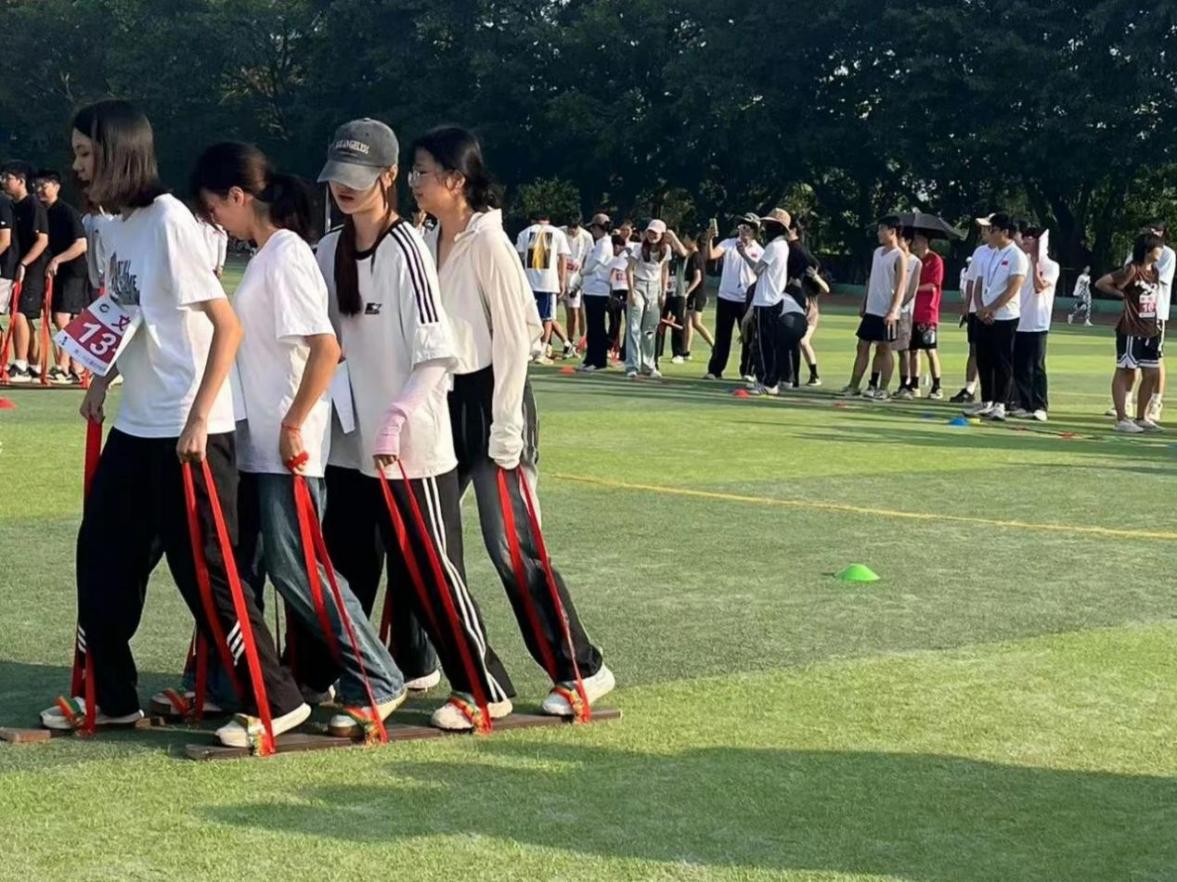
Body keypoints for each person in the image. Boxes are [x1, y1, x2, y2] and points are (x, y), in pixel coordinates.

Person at [39, 100, 310, 747]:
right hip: (139, 423)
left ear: (119, 154)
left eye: (86, 154)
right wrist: (100, 378)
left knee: (207, 571)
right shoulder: (113, 226)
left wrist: (198, 417)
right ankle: (110, 696)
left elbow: (227, 327)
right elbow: (124, 312)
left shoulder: (167, 221)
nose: (77, 167)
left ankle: (275, 700)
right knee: (101, 555)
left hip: (194, 429)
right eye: (76, 154)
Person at [182, 141, 408, 737]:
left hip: (289, 444)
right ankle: (235, 683)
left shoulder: (285, 257)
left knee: (300, 569)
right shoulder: (268, 256)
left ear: (237, 197)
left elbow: (326, 349)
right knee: (252, 568)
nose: (215, 222)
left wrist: (291, 424)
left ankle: (378, 678)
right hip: (260, 443)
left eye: (214, 210)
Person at [409, 124, 613, 725]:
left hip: (494, 398)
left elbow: (515, 340)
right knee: (425, 539)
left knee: (510, 548)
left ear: (456, 179)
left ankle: (581, 669)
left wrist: (506, 428)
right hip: (442, 400)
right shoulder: (428, 239)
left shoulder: (489, 243)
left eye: (423, 172)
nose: (414, 182)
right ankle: (420, 660)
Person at [315, 118, 515, 730]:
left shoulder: (408, 249)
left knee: (431, 571)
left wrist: (395, 419)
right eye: (337, 177)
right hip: (348, 447)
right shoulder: (328, 249)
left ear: (388, 177)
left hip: (411, 447)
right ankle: (348, 676)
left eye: (357, 177)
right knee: (344, 567)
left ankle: (484, 687)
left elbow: (436, 354)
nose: (344, 189)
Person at [1096, 231, 1166, 433]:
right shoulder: (1132, 269)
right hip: (1131, 328)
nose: (1162, 250)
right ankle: (1122, 418)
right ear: (1148, 250)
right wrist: (1122, 295)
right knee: (1125, 370)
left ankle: (1142, 417)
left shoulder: (1155, 272)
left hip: (1150, 329)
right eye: (1159, 247)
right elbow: (1102, 282)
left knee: (1151, 373)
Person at [967, 213, 1027, 421]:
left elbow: (1014, 287)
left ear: (1005, 232)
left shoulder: (1017, 256)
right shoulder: (989, 254)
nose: (989, 234)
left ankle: (1000, 404)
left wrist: (992, 309)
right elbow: (979, 283)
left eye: (993, 230)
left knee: (1002, 361)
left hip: (1005, 316)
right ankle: (986, 401)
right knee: (983, 359)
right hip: (984, 315)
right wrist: (980, 308)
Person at [738, 208, 805, 395]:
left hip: (766, 301)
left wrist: (744, 255)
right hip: (773, 299)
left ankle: (767, 382)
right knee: (769, 344)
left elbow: (757, 270)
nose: (765, 228)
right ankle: (770, 381)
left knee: (763, 345)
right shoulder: (783, 246)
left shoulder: (774, 246)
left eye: (769, 224)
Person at [839, 216, 907, 399]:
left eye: (882, 229)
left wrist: (893, 310)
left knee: (884, 349)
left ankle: (883, 389)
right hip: (872, 308)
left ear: (892, 231)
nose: (879, 233)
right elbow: (871, 279)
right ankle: (854, 385)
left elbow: (901, 285)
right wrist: (864, 301)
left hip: (887, 311)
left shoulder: (899, 256)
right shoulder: (877, 252)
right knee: (862, 346)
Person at [34, 170, 89, 384]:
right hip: (55, 273)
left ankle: (65, 366)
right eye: (37, 185)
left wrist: (57, 260)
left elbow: (81, 245)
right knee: (60, 317)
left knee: (62, 317)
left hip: (72, 272)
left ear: (56, 187)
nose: (39, 190)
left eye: (44, 185)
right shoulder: (42, 212)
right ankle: (74, 366)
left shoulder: (67, 212)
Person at [1, 161, 50, 383]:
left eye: (7, 178)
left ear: (21, 181)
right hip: (19, 266)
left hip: (33, 268)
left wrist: (24, 263)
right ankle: (33, 365)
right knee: (24, 316)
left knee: (20, 313)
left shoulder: (33, 205)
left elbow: (42, 240)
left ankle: (20, 364)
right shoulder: (13, 206)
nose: (3, 181)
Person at [703, 213, 763, 381]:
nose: (744, 230)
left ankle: (747, 371)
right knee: (722, 335)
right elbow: (711, 255)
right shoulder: (728, 244)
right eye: (742, 226)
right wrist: (709, 239)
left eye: (748, 227)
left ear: (755, 231)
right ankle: (715, 370)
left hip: (747, 299)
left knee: (748, 336)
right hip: (726, 297)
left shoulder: (759, 250)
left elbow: (761, 272)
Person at [1010, 227, 1059, 421]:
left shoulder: (1051, 266)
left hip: (1038, 323)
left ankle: (1040, 405)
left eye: (1030, 239)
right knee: (1020, 366)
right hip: (1019, 320)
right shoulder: (1021, 262)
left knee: (1037, 366)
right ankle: (1024, 403)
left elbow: (1039, 286)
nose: (1026, 242)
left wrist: (1035, 262)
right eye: (1025, 239)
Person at [950, 216, 995, 403]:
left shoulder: (1007, 253)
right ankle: (970, 388)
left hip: (995, 311)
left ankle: (995, 393)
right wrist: (967, 307)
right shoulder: (979, 252)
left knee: (995, 353)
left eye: (987, 228)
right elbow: (970, 281)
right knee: (974, 350)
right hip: (976, 310)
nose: (983, 231)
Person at [515, 213, 571, 363]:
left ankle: (531, 348)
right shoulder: (557, 233)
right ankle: (543, 349)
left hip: (529, 282)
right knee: (548, 317)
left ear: (533, 220)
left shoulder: (524, 233)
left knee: (528, 316)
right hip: (548, 282)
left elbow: (519, 257)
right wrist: (563, 280)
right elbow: (563, 258)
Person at [625, 220, 673, 378]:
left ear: (662, 235)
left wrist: (664, 292)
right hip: (638, 285)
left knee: (649, 330)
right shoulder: (639, 248)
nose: (652, 235)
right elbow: (629, 269)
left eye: (656, 233)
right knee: (634, 327)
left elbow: (664, 271)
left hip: (654, 288)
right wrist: (631, 291)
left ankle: (648, 365)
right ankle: (632, 365)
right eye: (650, 232)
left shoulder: (666, 249)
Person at [786, 218, 825, 386]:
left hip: (810, 310)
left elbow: (826, 288)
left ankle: (814, 374)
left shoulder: (809, 275)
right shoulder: (797, 273)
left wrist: (815, 277)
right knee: (796, 341)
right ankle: (795, 376)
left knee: (802, 341)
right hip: (799, 306)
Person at [907, 230, 944, 399]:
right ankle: (914, 384)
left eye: (917, 240)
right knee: (913, 350)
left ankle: (937, 386)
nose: (914, 244)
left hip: (928, 312)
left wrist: (913, 289)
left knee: (930, 350)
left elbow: (933, 285)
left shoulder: (934, 260)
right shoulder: (914, 260)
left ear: (924, 241)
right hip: (912, 311)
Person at [577, 213, 613, 372]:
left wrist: (581, 272)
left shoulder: (605, 244)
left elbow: (594, 266)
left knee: (597, 327)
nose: (592, 231)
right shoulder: (598, 244)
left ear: (600, 228)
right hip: (591, 289)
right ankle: (590, 358)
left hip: (599, 290)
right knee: (592, 327)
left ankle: (599, 360)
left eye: (593, 227)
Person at [891, 227, 922, 398]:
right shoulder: (891, 257)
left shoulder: (915, 262)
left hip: (904, 311)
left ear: (907, 241)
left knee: (903, 350)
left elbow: (912, 290)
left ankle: (905, 384)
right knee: (884, 347)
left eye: (900, 238)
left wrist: (897, 305)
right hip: (887, 308)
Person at [680, 233, 713, 361]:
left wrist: (688, 292)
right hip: (694, 294)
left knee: (696, 323)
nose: (684, 240)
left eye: (686, 238)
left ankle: (714, 346)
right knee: (687, 322)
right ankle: (686, 351)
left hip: (697, 294)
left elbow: (698, 278)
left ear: (693, 241)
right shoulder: (692, 256)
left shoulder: (696, 256)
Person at [564, 214, 593, 354]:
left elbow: (589, 259)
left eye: (574, 227)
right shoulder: (560, 232)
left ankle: (575, 342)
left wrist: (581, 281)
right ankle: (553, 343)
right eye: (569, 227)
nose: (571, 230)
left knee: (575, 311)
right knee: (552, 314)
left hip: (576, 280)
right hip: (560, 278)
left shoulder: (586, 237)